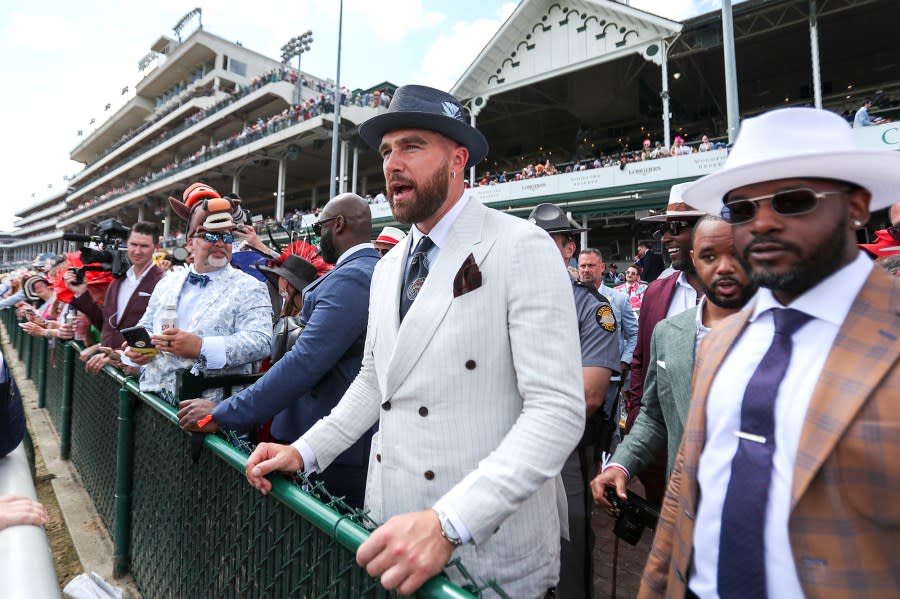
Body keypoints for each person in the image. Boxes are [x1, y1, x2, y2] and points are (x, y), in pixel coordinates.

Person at [244, 84, 585, 598]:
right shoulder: (385, 269)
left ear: (457, 159)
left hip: (482, 543)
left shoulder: (521, 246)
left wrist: (450, 521)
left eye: (411, 146)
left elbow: (557, 412)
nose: (392, 163)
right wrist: (305, 451)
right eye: (385, 152)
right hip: (392, 528)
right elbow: (373, 383)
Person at [640, 107, 900, 599]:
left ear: (857, 207)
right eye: (742, 209)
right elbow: (683, 496)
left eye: (792, 201)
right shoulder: (718, 342)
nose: (761, 224)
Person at [178, 194, 379, 509]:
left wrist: (224, 412)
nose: (317, 235)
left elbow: (302, 364)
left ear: (338, 225)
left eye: (320, 227)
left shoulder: (353, 277)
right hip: (334, 440)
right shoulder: (367, 271)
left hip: (336, 447)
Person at [591, 216, 757, 507]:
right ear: (695, 258)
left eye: (736, 253)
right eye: (709, 256)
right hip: (684, 505)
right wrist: (621, 464)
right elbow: (655, 416)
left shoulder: (778, 329)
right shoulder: (668, 333)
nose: (723, 267)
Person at [530, 205, 619, 599]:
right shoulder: (508, 296)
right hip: (506, 440)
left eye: (548, 242)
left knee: (569, 546)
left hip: (562, 447)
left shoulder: (591, 307)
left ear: (568, 249)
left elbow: (590, 395)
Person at [125, 183, 272, 404]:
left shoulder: (250, 286)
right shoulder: (166, 283)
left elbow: (261, 342)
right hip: (156, 402)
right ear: (191, 244)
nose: (220, 243)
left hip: (211, 412)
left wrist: (201, 347)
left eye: (227, 236)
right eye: (211, 236)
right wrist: (142, 351)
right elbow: (146, 326)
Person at [626, 183, 705, 506]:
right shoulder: (657, 293)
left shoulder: (746, 292)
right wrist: (635, 423)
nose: (665, 238)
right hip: (661, 455)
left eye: (676, 228)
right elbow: (641, 364)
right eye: (664, 229)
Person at [65, 221, 163, 374]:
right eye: (133, 244)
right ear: (126, 244)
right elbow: (105, 325)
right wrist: (81, 293)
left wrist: (127, 358)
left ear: (156, 247)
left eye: (144, 246)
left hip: (137, 378)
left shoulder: (164, 281)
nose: (137, 251)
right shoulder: (117, 281)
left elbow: (161, 335)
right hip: (108, 371)